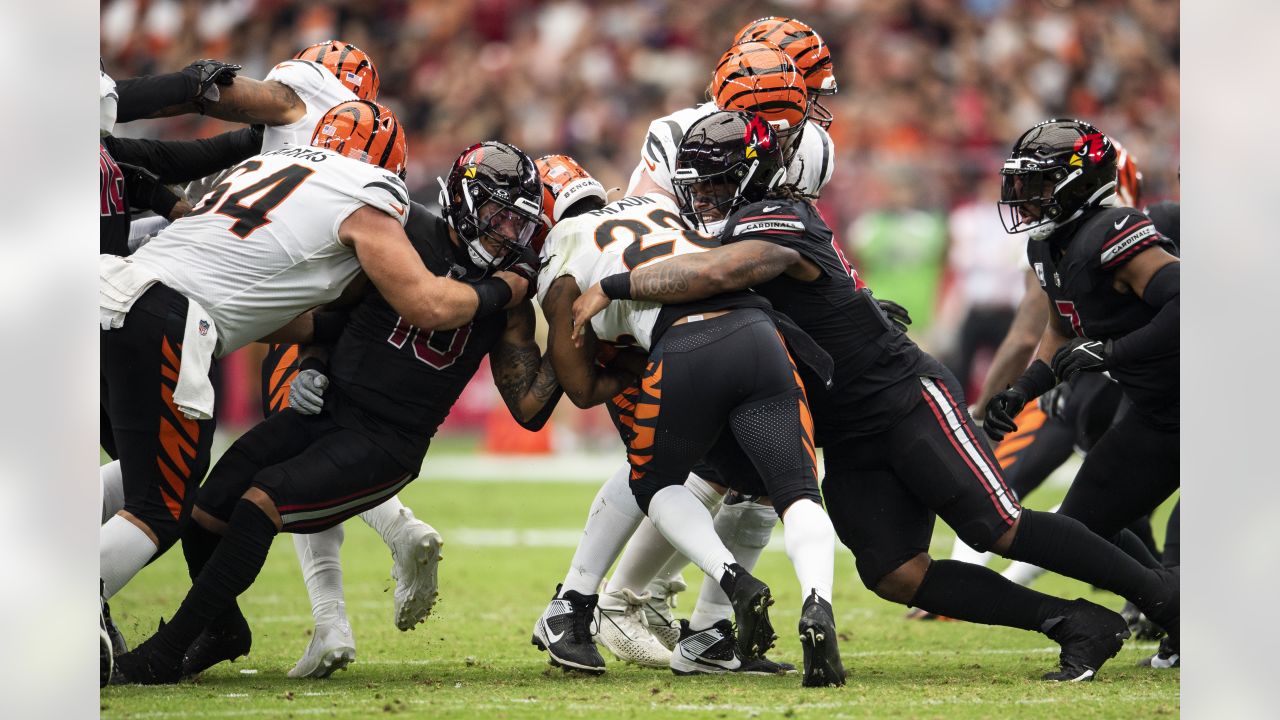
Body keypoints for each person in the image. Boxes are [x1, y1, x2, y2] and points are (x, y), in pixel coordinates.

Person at [574, 110, 1179, 682]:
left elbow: (728, 272)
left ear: (755, 175)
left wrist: (617, 282)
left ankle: (1170, 603)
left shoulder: (775, 215)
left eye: (717, 180)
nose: (704, 195)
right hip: (846, 430)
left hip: (901, 399)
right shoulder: (731, 227)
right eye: (697, 184)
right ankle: (1075, 622)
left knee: (995, 526)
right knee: (895, 572)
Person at [99, 100, 530, 669]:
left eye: (518, 222)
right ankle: (183, 624)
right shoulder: (386, 211)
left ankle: (164, 649)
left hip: (381, 433)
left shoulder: (268, 172)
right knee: (186, 507)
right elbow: (393, 307)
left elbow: (311, 306)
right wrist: (311, 362)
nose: (508, 233)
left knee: (243, 500)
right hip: (267, 372)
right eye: (498, 216)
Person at [530, 143, 845, 687]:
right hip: (762, 335)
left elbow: (579, 388)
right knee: (786, 491)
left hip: (686, 353)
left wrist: (631, 365)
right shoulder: (660, 204)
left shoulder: (560, 245)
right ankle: (760, 619)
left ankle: (711, 583)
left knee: (652, 479)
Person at [984, 119, 1181, 668]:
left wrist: (1113, 354)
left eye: (1040, 182)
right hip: (1159, 409)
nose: (1023, 196)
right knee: (1080, 528)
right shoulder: (1049, 246)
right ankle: (1179, 614)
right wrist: (1021, 389)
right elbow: (1062, 329)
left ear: (1078, 182)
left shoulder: (1114, 229)